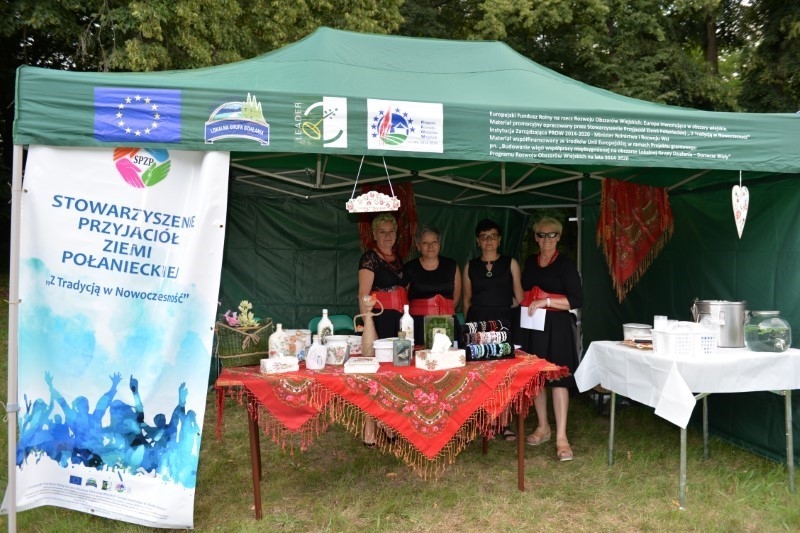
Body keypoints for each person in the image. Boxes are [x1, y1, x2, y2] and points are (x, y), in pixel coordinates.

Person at [518, 216, 583, 462]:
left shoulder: (566, 265)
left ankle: (562, 437)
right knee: (536, 377)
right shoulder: (530, 262)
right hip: (533, 326)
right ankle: (543, 427)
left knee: (558, 380)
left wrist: (545, 301)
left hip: (557, 327)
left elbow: (576, 300)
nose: (547, 239)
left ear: (559, 237)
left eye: (552, 234)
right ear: (536, 238)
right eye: (542, 235)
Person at [462, 219, 524, 441]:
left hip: (503, 322)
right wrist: (470, 329)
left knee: (503, 373)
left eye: (493, 236)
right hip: (477, 322)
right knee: (479, 372)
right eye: (484, 236)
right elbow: (466, 300)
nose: (489, 240)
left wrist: (502, 308)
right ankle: (483, 421)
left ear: (499, 240)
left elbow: (520, 297)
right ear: (478, 241)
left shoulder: (510, 263)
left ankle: (504, 422)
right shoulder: (470, 266)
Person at [403, 225, 462, 347]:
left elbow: (456, 297)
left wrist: (442, 317)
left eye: (434, 242)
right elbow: (403, 298)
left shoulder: (451, 265)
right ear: (418, 246)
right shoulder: (410, 268)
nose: (430, 246)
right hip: (418, 324)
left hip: (447, 322)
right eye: (425, 243)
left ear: (439, 244)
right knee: (420, 356)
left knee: (450, 357)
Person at [358, 213, 408, 340]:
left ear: (396, 234)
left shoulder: (398, 258)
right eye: (382, 232)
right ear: (374, 235)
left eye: (391, 231)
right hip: (380, 318)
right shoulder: (370, 258)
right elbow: (363, 295)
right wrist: (370, 327)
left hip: (401, 317)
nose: (388, 235)